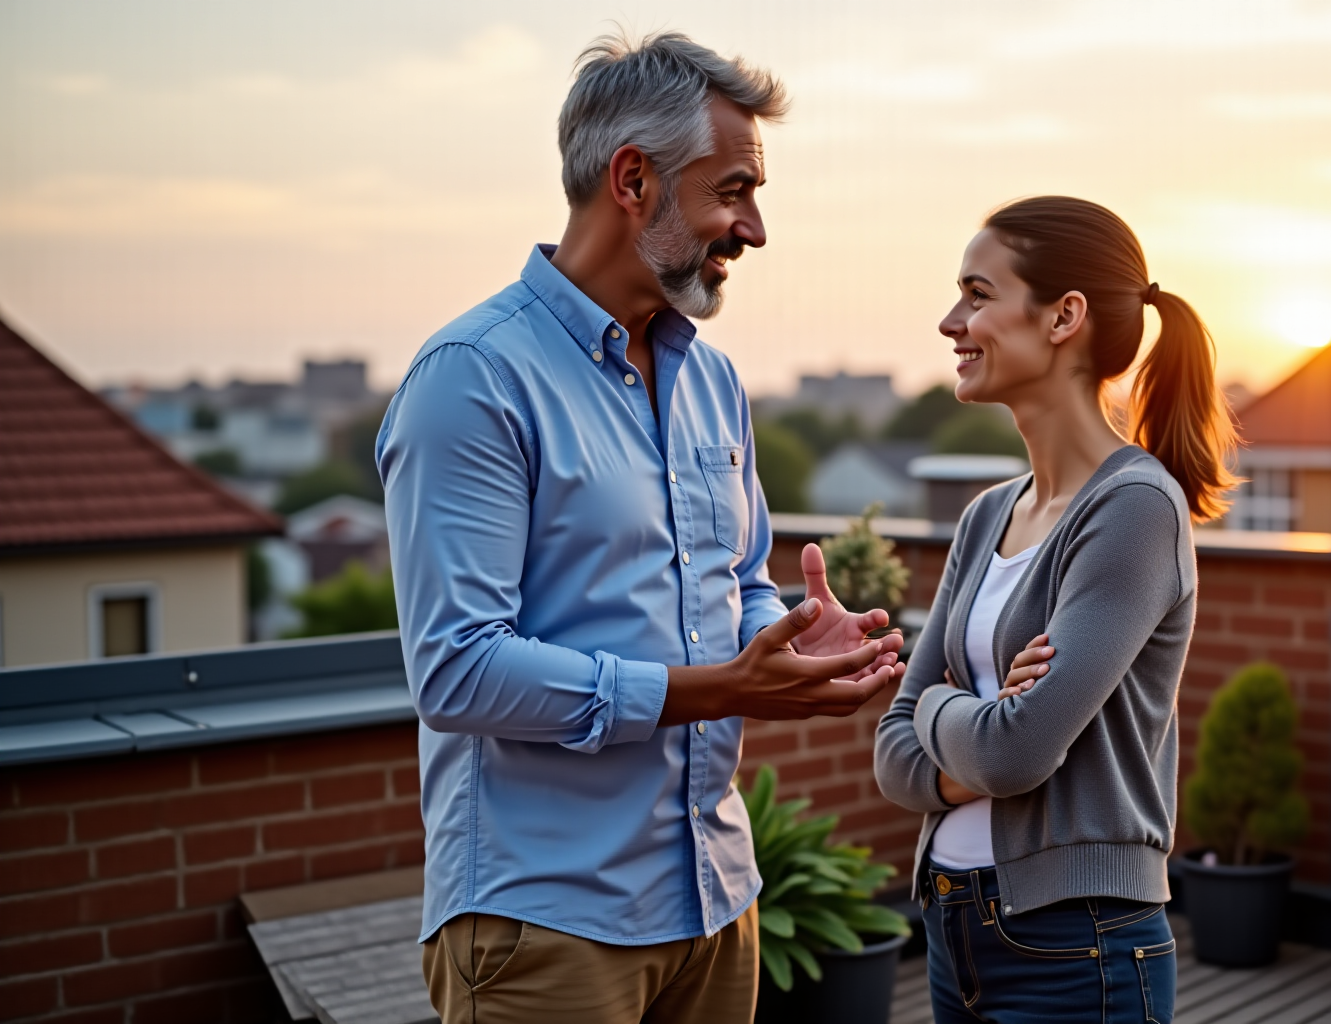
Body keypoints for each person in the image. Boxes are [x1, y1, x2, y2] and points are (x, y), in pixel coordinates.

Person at [378, 33, 905, 1024]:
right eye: (734, 189)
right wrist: (721, 688)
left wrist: (786, 638)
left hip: (715, 902)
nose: (751, 228)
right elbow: (455, 668)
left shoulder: (709, 379)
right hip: (545, 928)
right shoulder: (471, 379)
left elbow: (735, 580)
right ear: (632, 179)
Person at [874, 196, 1238, 1023]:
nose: (949, 321)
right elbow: (890, 758)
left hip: (1078, 945)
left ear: (1063, 315)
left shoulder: (1136, 506)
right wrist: (983, 716)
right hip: (951, 924)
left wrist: (936, 703)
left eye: (976, 293)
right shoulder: (986, 514)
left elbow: (1015, 753)